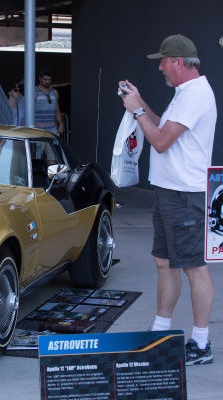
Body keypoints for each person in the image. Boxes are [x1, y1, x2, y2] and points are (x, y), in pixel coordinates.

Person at [120, 34, 216, 366]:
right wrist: (140, 101)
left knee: (194, 267)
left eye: (163, 60)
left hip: (185, 194)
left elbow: (160, 141)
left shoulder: (194, 95)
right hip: (169, 191)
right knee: (164, 262)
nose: (160, 66)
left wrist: (135, 112)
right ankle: (161, 330)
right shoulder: (185, 93)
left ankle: (201, 344)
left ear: (178, 61)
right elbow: (162, 126)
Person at [34, 69, 64, 136]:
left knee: (52, 146)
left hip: (52, 129)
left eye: (49, 79)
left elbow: (57, 110)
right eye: (45, 79)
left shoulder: (55, 92)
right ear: (40, 78)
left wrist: (61, 124)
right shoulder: (34, 91)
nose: (47, 81)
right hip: (37, 129)